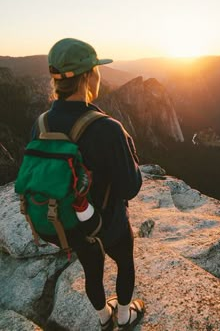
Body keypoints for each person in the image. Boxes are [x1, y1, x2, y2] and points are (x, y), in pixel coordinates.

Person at [32, 38, 145, 331]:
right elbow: (130, 187)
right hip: (110, 223)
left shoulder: (42, 123)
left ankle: (103, 318)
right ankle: (124, 316)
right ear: (87, 77)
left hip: (70, 223)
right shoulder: (107, 128)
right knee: (124, 263)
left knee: (92, 272)